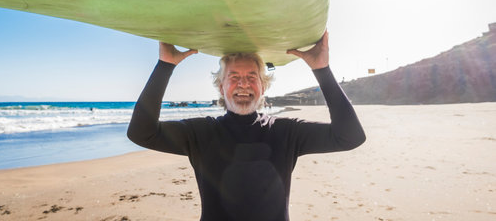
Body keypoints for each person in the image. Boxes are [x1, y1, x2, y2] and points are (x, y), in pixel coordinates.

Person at [127, 31, 365, 221]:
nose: (243, 84)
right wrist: (165, 65)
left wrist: (321, 69)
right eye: (233, 77)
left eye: (252, 76)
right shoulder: (200, 133)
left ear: (263, 86)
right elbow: (141, 132)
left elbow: (350, 136)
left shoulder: (286, 131)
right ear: (220, 87)